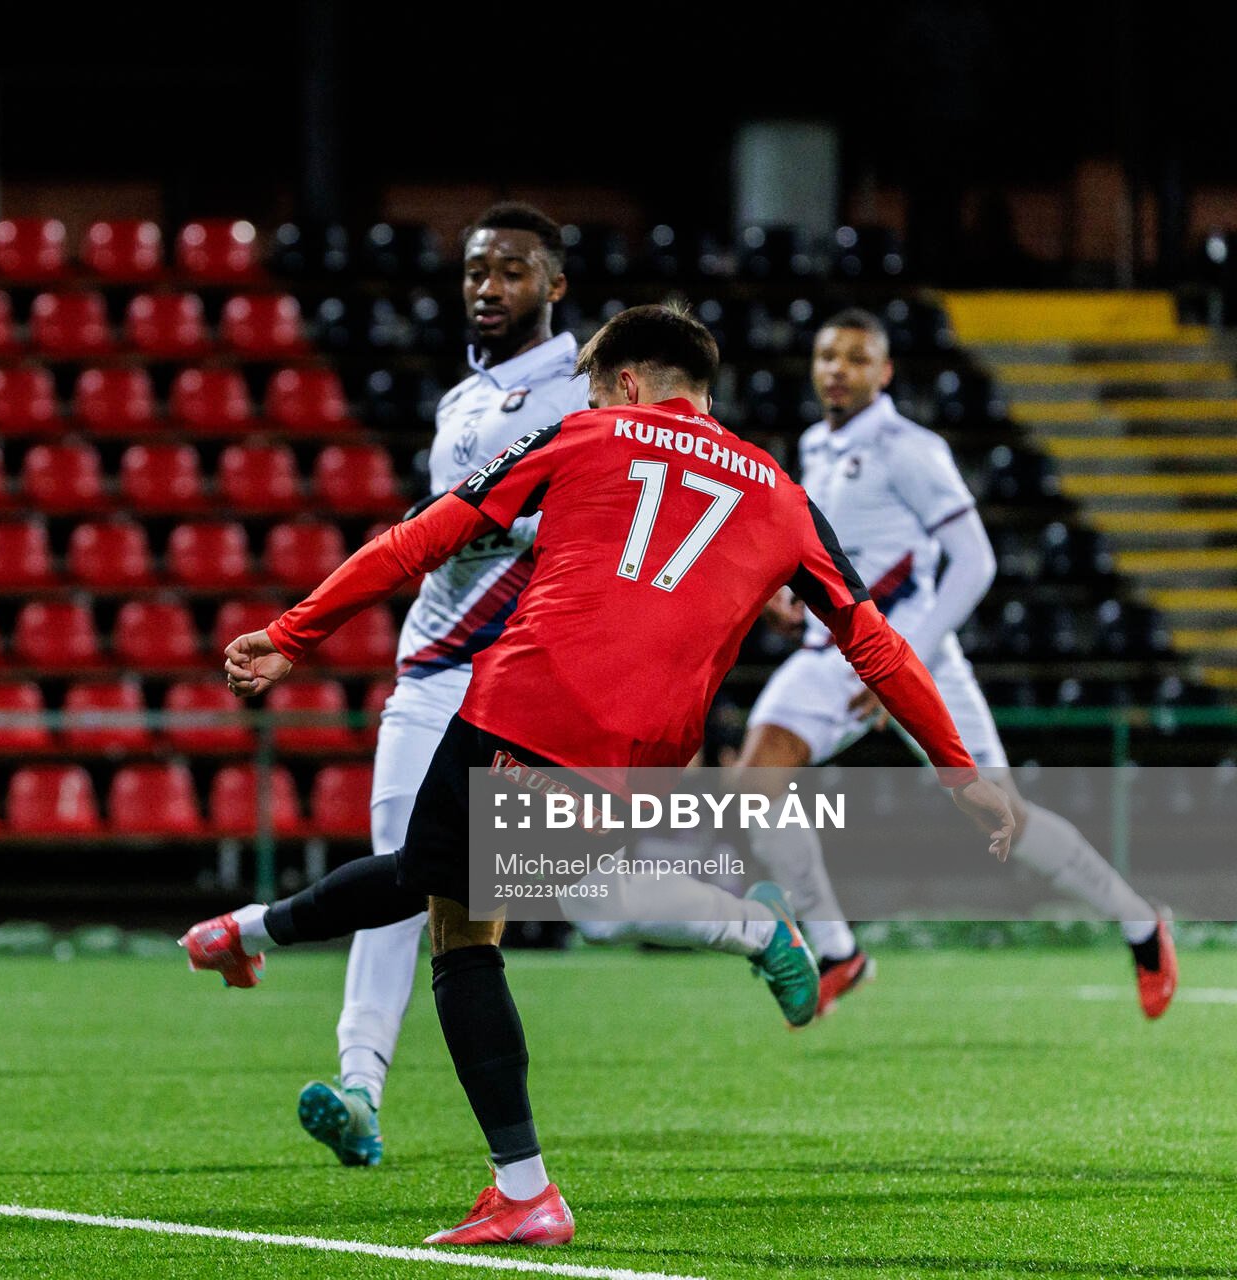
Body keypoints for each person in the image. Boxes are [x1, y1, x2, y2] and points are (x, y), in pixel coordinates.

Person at [180, 304, 1016, 1248]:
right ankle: (246, 937)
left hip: (534, 705)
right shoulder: (783, 492)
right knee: (454, 882)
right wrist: (959, 771)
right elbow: (876, 644)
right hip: (651, 754)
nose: (586, 393)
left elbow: (425, 537)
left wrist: (295, 634)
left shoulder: (584, 432)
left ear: (625, 382)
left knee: (456, 923)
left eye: (592, 379)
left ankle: (524, 1189)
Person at [735, 309, 1177, 1018]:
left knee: (1004, 819)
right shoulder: (817, 444)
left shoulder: (911, 448)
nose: (836, 370)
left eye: (854, 358)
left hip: (916, 654)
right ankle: (838, 952)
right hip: (833, 653)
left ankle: (1140, 923)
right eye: (826, 356)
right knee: (756, 778)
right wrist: (788, 598)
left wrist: (898, 663)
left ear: (884, 372)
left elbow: (975, 561)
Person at [292, 202, 591, 1172]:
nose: (488, 288)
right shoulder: (463, 401)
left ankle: (747, 924)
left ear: (555, 285)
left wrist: (478, 521)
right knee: (410, 867)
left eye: (511, 270)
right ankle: (358, 1083)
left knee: (569, 887)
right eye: (475, 271)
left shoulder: (580, 399)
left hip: (516, 671)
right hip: (431, 666)